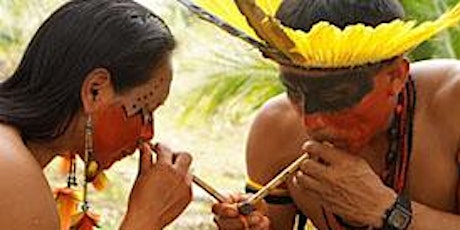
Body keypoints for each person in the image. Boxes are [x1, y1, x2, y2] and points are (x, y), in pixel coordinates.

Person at [178, 0, 460, 229]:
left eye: (336, 98)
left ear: (396, 76)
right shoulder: (276, 130)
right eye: (294, 92)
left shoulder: (452, 106)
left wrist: (385, 210)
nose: (311, 121)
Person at [0, 0, 194, 229]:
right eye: (144, 112)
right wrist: (145, 218)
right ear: (95, 91)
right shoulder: (11, 172)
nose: (147, 135)